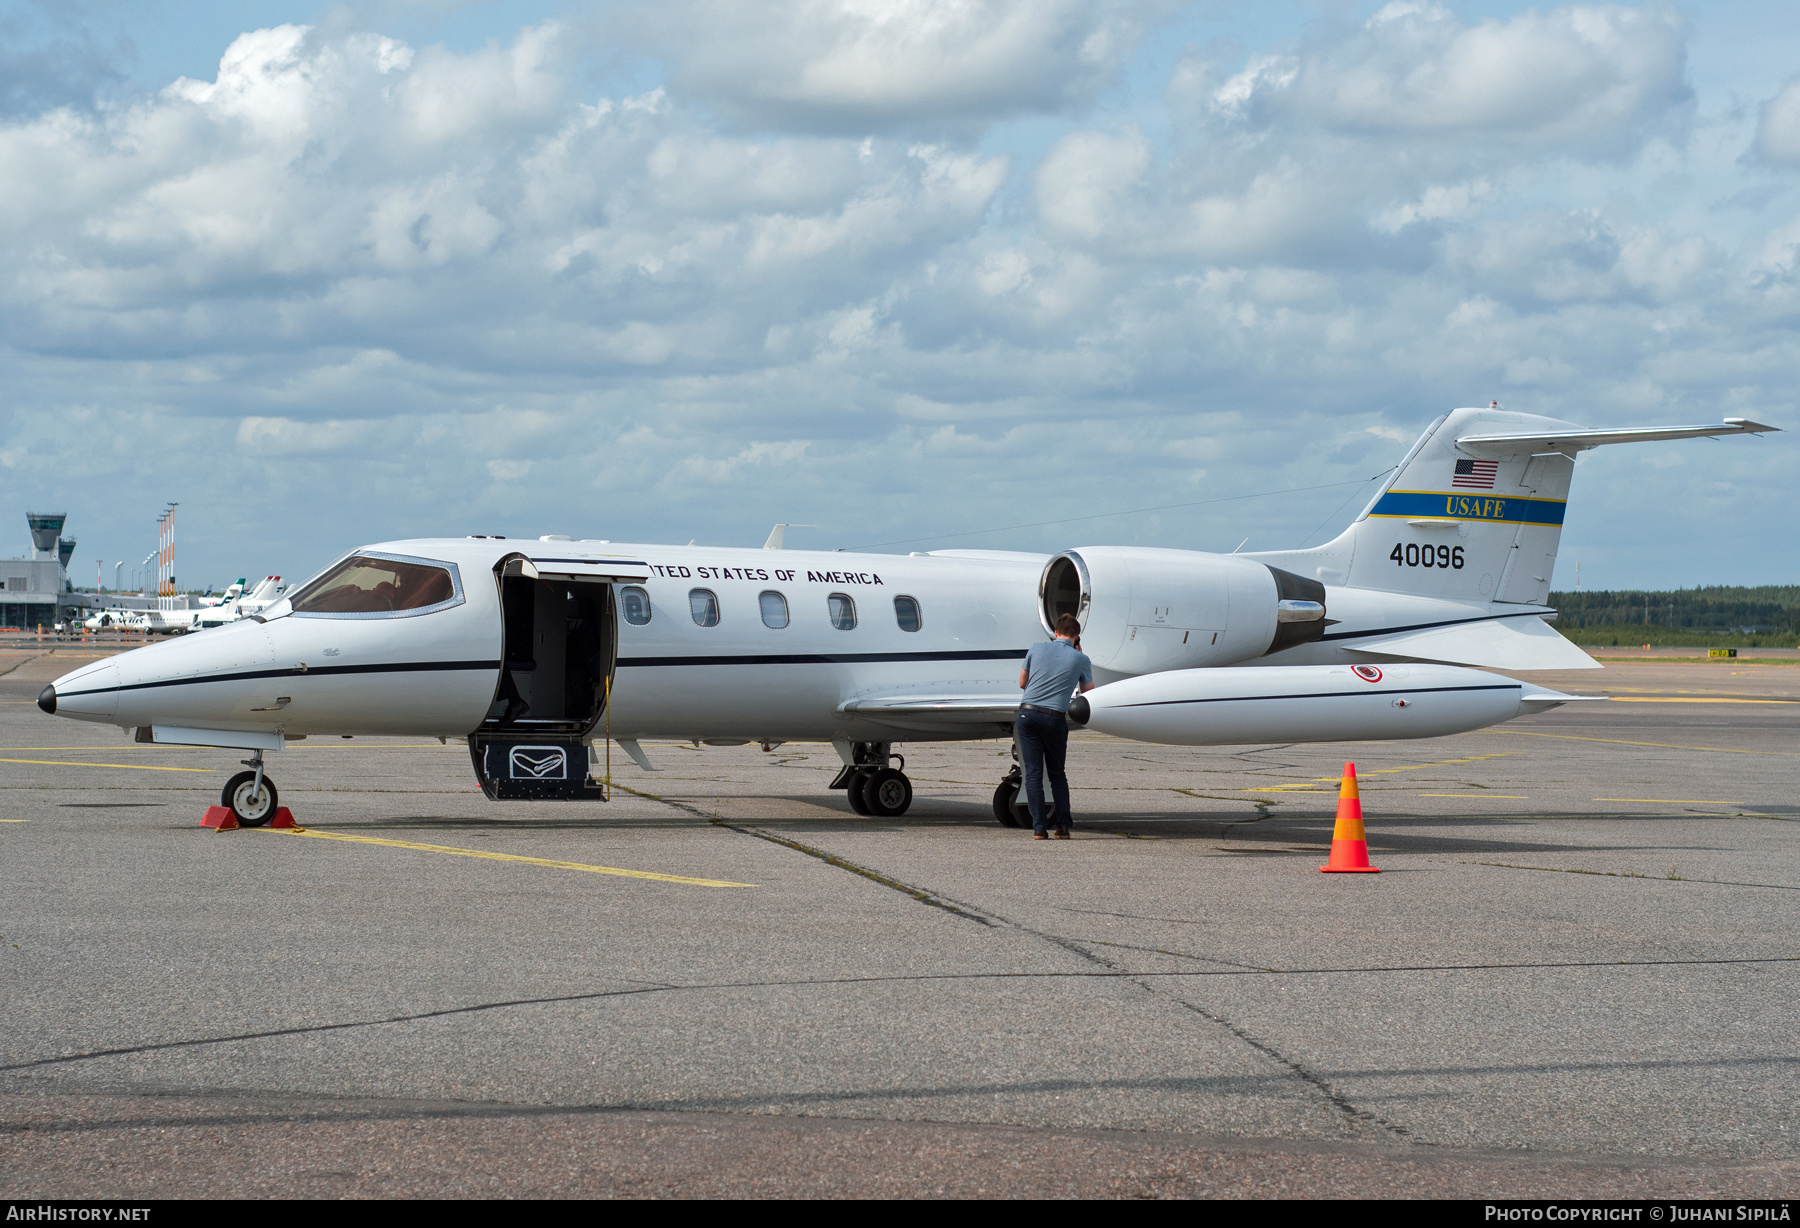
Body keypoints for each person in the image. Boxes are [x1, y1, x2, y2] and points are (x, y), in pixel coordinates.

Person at [1016, 612, 1094, 840]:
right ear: (1077, 637)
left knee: (1032, 773)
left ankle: (1039, 828)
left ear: (1056, 633)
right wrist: (1077, 658)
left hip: (1027, 715)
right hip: (1053, 718)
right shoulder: (1081, 659)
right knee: (1057, 775)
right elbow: (1089, 692)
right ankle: (1063, 826)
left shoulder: (1036, 648)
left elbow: (1022, 683)